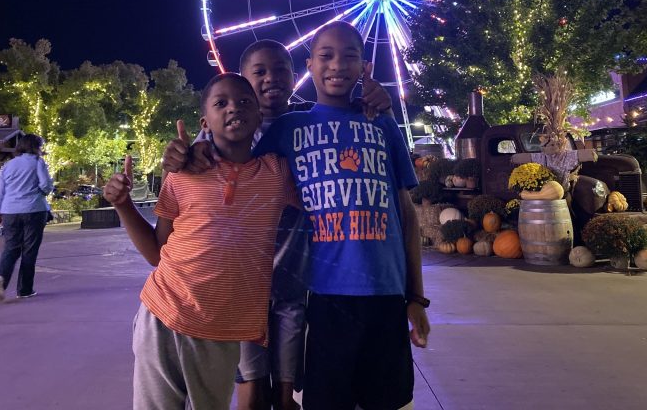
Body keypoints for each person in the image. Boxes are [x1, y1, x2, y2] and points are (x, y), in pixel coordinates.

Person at [162, 39, 392, 410]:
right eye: (260, 72)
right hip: (239, 282)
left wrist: (375, 101)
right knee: (251, 384)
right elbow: (191, 172)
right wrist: (184, 152)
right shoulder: (220, 136)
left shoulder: (307, 121)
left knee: (286, 389)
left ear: (295, 72)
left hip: (292, 275)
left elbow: (345, 133)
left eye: (281, 70)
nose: (272, 79)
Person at [252, 21, 430, 410]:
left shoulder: (382, 123)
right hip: (323, 297)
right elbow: (234, 168)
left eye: (350, 56)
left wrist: (416, 297)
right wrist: (194, 151)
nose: (338, 65)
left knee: (391, 400)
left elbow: (406, 215)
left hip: (386, 295)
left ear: (365, 66)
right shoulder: (287, 129)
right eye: (326, 56)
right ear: (310, 64)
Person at [104, 73, 301, 410]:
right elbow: (156, 251)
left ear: (258, 116)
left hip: (223, 332)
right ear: (204, 122)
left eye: (243, 102)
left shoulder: (277, 173)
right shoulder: (182, 174)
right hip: (162, 315)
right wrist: (123, 204)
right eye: (220, 103)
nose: (233, 109)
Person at [0, 134, 53, 301]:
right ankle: (25, 289)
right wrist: (41, 191)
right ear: (35, 146)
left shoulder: (8, 165)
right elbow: (46, 185)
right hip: (33, 209)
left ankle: (1, 278)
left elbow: (1, 191)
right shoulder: (37, 162)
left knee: (11, 248)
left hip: (9, 210)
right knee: (29, 250)